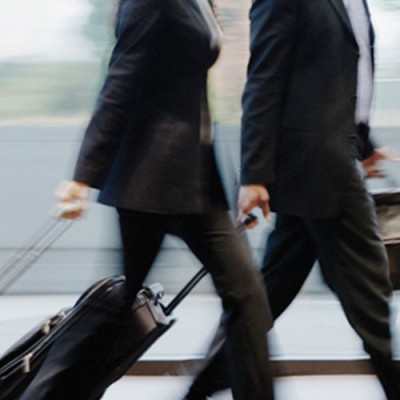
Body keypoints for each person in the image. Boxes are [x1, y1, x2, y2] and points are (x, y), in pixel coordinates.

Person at [19, 0, 275, 399]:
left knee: (246, 298)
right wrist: (83, 177)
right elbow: (120, 81)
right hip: (149, 180)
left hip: (196, 181)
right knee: (124, 312)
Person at [183, 0, 400, 399]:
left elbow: (342, 78)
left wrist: (365, 144)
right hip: (318, 164)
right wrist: (254, 175)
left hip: (333, 159)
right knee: (371, 294)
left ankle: (201, 386)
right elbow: (264, 79)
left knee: (265, 295)